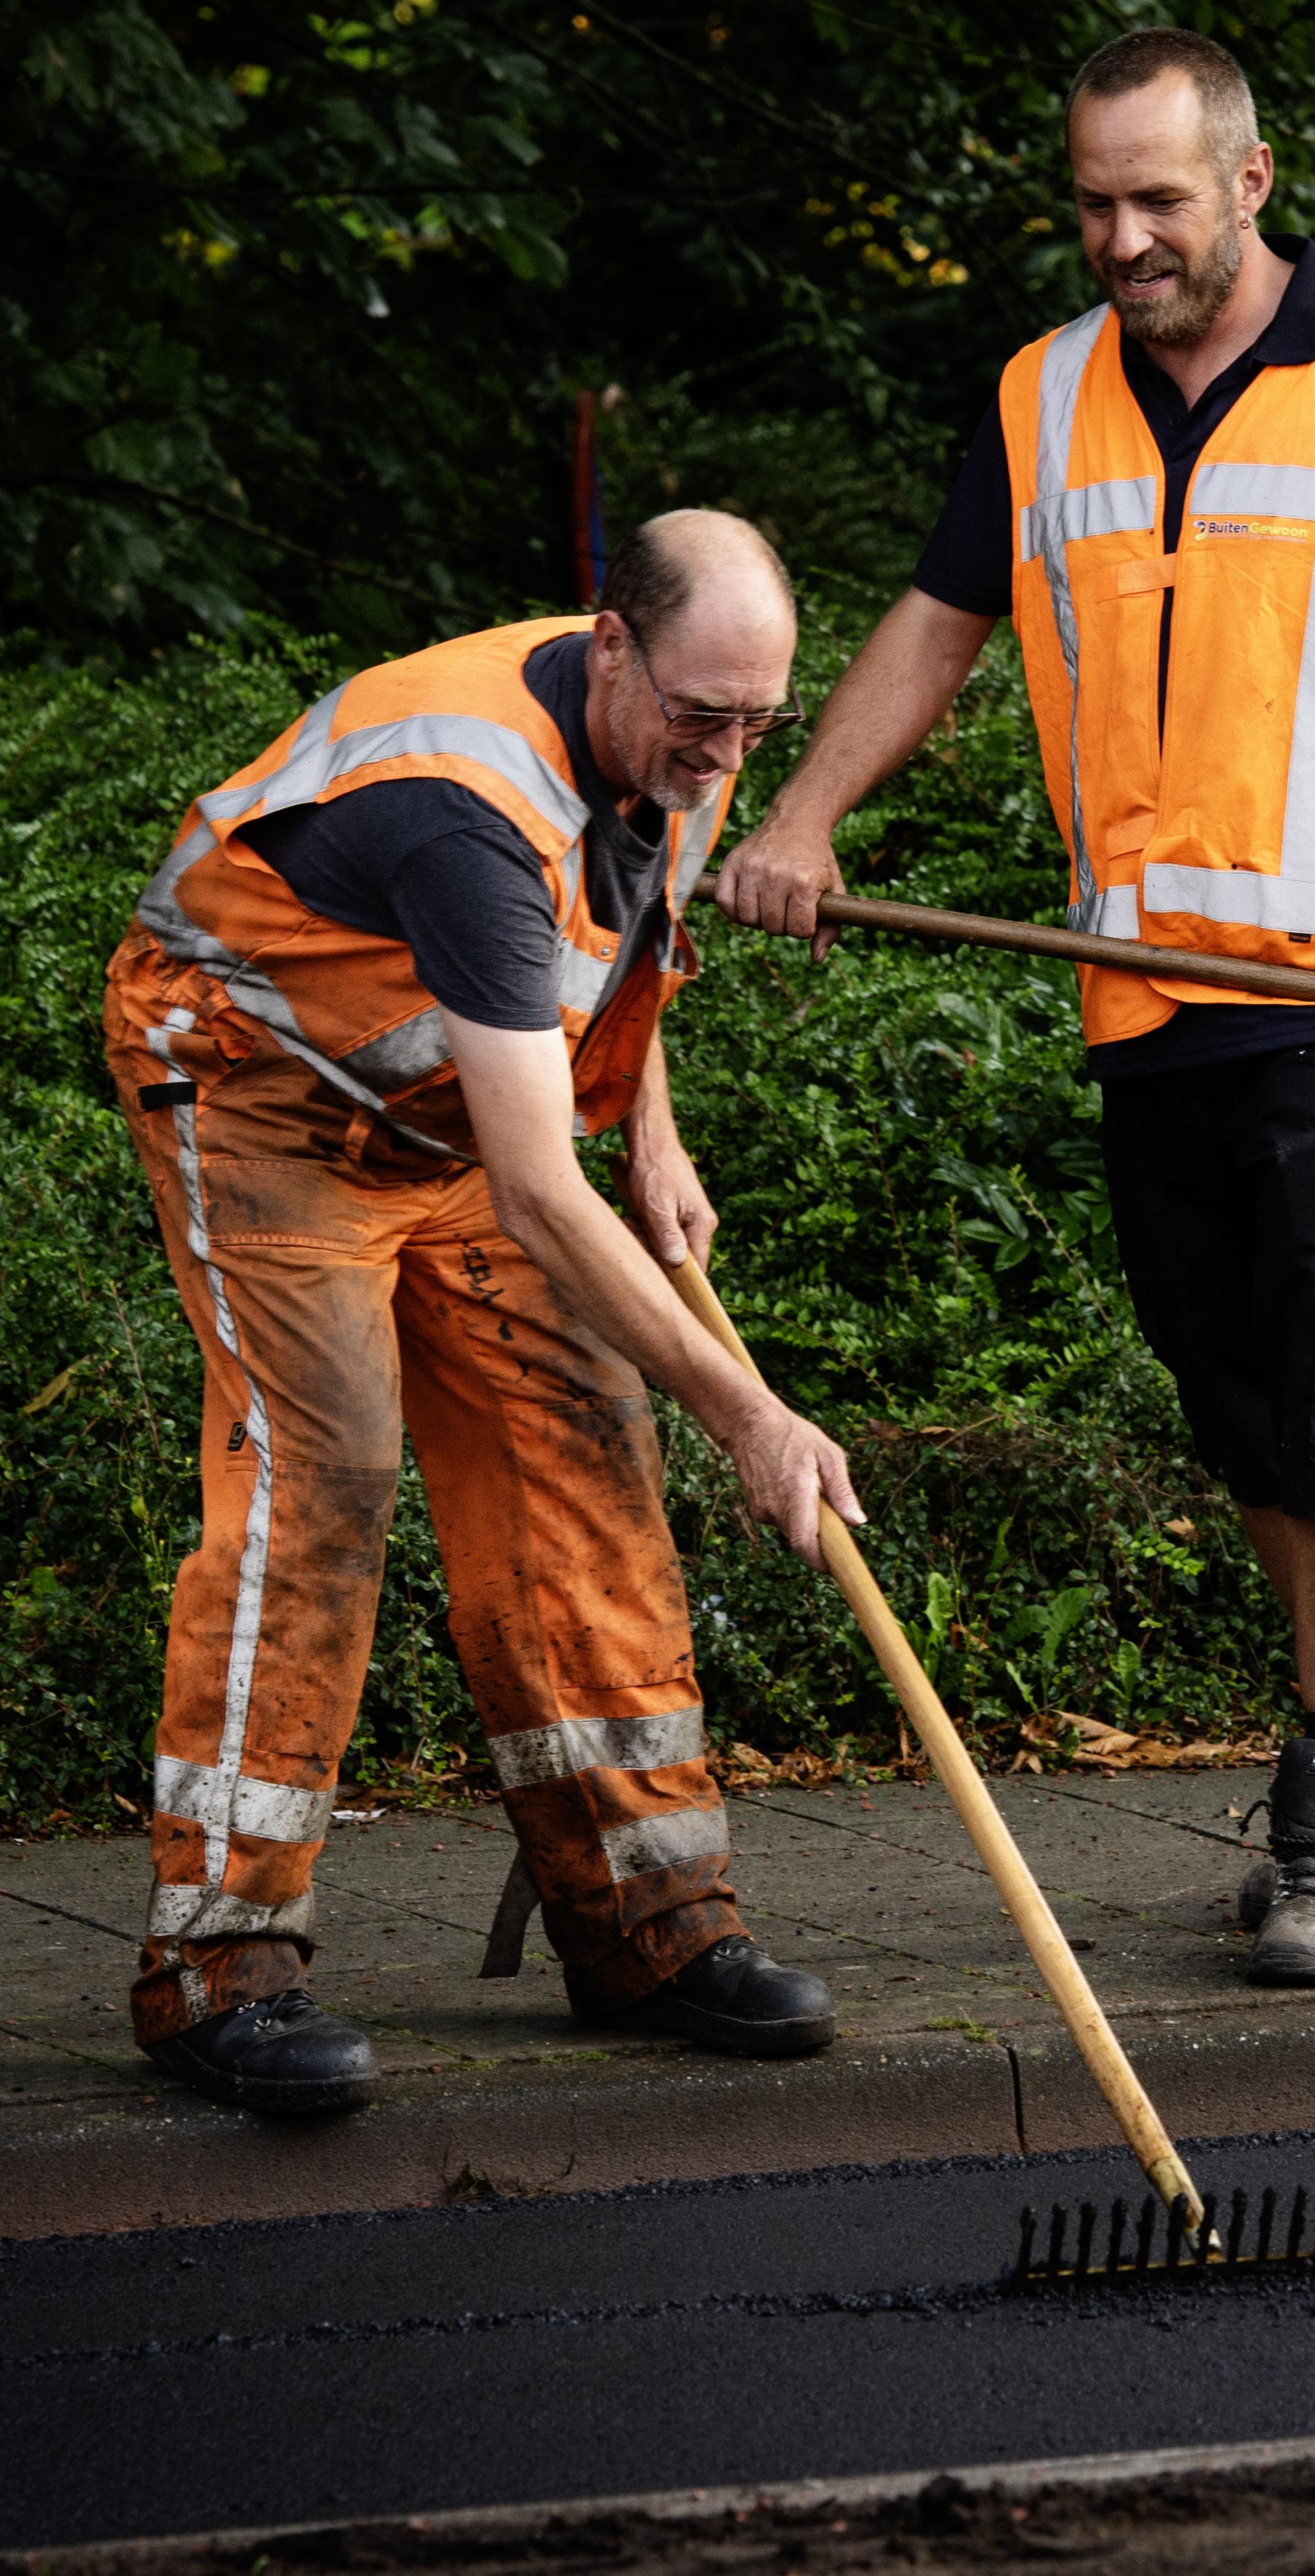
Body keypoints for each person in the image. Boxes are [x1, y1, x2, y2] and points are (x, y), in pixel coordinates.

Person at [717, 27, 1315, 1988]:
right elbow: (944, 620)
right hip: (1144, 996)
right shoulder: (1040, 397)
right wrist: (808, 818)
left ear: (1250, 182)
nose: (1124, 237)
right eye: (1095, 202)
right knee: (1235, 1383)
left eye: (1160, 199)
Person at [102, 509, 865, 2112]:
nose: (723, 751)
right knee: (329, 1475)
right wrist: (753, 1412)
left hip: (452, 1113)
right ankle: (214, 1964)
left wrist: (650, 1130)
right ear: (612, 646)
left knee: (583, 1443)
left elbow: (613, 946)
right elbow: (538, 1188)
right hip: (262, 1096)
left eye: (754, 725)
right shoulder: (462, 804)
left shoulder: (679, 721)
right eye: (699, 719)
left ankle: (645, 1923)